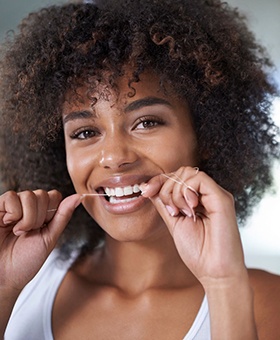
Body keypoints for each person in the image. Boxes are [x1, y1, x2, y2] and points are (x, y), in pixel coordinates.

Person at [0, 0, 279, 338]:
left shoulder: (266, 303)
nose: (114, 156)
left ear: (205, 135)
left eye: (146, 122)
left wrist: (223, 285)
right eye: (85, 132)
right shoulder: (22, 284)